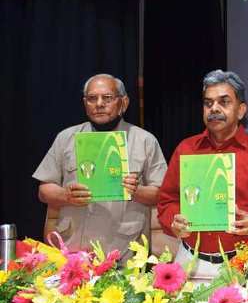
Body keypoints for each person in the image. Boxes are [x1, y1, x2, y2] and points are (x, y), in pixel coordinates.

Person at [157, 70, 248, 278]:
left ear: (241, 110)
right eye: (208, 103)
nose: (214, 109)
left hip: (244, 263)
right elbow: (166, 201)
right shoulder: (186, 149)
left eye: (224, 102)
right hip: (190, 261)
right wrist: (174, 221)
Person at [33, 74, 167, 259]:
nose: (99, 104)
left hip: (125, 251)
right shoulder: (66, 138)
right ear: (84, 103)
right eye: (92, 98)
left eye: (107, 98)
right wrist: (66, 195)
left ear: (124, 102)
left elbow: (162, 194)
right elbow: (44, 191)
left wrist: (137, 191)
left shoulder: (145, 140)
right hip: (74, 251)